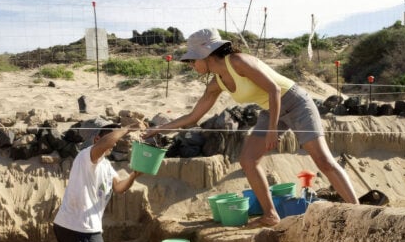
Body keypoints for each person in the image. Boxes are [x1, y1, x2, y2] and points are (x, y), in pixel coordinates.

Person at [143, 28, 359, 227]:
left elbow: (274, 89)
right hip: (271, 109)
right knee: (248, 160)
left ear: (206, 54)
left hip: (296, 103)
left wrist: (272, 130)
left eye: (192, 60)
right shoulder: (216, 83)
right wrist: (158, 130)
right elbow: (193, 117)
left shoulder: (238, 61)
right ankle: (271, 215)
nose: (191, 65)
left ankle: (359, 213)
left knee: (324, 161)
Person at [53, 124, 141, 242]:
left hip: (69, 225)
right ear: (96, 140)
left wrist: (133, 176)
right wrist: (127, 128)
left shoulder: (106, 165)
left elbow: (119, 187)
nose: (114, 144)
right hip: (80, 227)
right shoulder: (86, 156)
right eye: (111, 139)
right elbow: (106, 143)